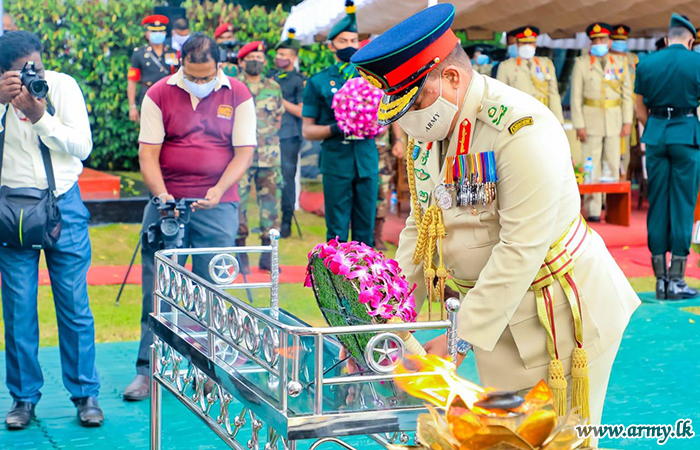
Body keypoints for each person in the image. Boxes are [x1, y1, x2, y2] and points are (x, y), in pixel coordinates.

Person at [352, 5, 640, 446]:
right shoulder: (436, 125)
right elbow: (419, 226)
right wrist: (386, 317)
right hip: (497, 317)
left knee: (557, 440)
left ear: (450, 79)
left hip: (559, 320)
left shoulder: (521, 129)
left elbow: (520, 248)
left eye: (415, 100)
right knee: (505, 439)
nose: (407, 118)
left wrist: (456, 341)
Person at [123, 33, 255, 401]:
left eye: (206, 76)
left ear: (219, 66)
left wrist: (218, 189)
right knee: (157, 287)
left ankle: (211, 370)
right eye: (192, 76)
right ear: (180, 64)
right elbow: (148, 153)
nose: (199, 84)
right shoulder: (159, 92)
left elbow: (243, 152)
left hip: (219, 201)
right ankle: (147, 371)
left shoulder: (239, 93)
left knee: (214, 286)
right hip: (167, 201)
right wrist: (162, 194)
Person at [0, 31, 104, 429]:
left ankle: (86, 395)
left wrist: (42, 117)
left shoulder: (63, 86)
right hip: (13, 210)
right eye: (21, 72)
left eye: (36, 67)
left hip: (63, 204)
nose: (31, 76)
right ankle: (23, 399)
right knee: (18, 308)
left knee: (75, 305)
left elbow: (82, 147)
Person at [635, 13, 700, 301]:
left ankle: (660, 281)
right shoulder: (697, 62)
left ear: (667, 38)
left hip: (657, 135)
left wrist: (656, 124)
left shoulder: (646, 63)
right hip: (687, 135)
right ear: (690, 40)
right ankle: (677, 279)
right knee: (683, 204)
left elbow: (639, 108)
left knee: (657, 202)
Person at [302, 0, 378, 245]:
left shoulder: (372, 79)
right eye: (343, 41)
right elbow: (308, 130)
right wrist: (337, 127)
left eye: (353, 41)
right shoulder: (319, 81)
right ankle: (336, 281)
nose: (349, 46)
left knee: (366, 227)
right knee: (336, 230)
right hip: (336, 159)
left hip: (366, 157)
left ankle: (365, 279)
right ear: (331, 45)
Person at [571, 22, 633, 222]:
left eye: (603, 39)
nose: (599, 43)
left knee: (613, 163)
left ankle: (613, 207)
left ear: (610, 42)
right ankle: (593, 210)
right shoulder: (582, 63)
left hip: (614, 118)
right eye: (595, 40)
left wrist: (627, 121)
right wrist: (579, 124)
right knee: (591, 166)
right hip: (591, 119)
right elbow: (575, 97)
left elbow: (626, 95)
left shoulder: (619, 62)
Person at [235, 41, 284, 272]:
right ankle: (240, 254)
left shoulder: (274, 87)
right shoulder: (234, 86)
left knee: (271, 206)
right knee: (238, 203)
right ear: (241, 61)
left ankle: (268, 257)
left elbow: (278, 118)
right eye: (250, 57)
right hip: (239, 155)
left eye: (259, 57)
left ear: (265, 61)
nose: (256, 61)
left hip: (269, 155)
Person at [273, 29, 306, 239]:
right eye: (278, 55)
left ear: (293, 58)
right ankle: (269, 221)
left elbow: (302, 111)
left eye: (284, 56)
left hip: (289, 135)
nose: (280, 59)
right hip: (268, 135)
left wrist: (279, 99)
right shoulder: (271, 76)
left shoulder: (299, 80)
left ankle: (286, 222)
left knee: (286, 178)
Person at [496, 26, 564, 124]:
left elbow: (553, 94)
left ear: (535, 45)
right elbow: (501, 97)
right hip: (519, 118)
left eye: (531, 43)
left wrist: (558, 121)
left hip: (543, 116)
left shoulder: (546, 64)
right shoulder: (506, 66)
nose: (528, 46)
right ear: (518, 44)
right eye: (524, 43)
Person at [127, 15, 179, 123]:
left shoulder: (173, 52)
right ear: (147, 34)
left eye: (160, 31)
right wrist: (132, 106)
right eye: (154, 32)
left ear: (165, 33)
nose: (157, 35)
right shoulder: (139, 53)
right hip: (148, 95)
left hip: (169, 96)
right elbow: (132, 81)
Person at [611, 24, 639, 177]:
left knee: (626, 148)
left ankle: (624, 178)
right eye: (617, 40)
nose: (620, 43)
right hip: (612, 109)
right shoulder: (607, 60)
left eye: (623, 40)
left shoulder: (632, 58)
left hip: (629, 111)